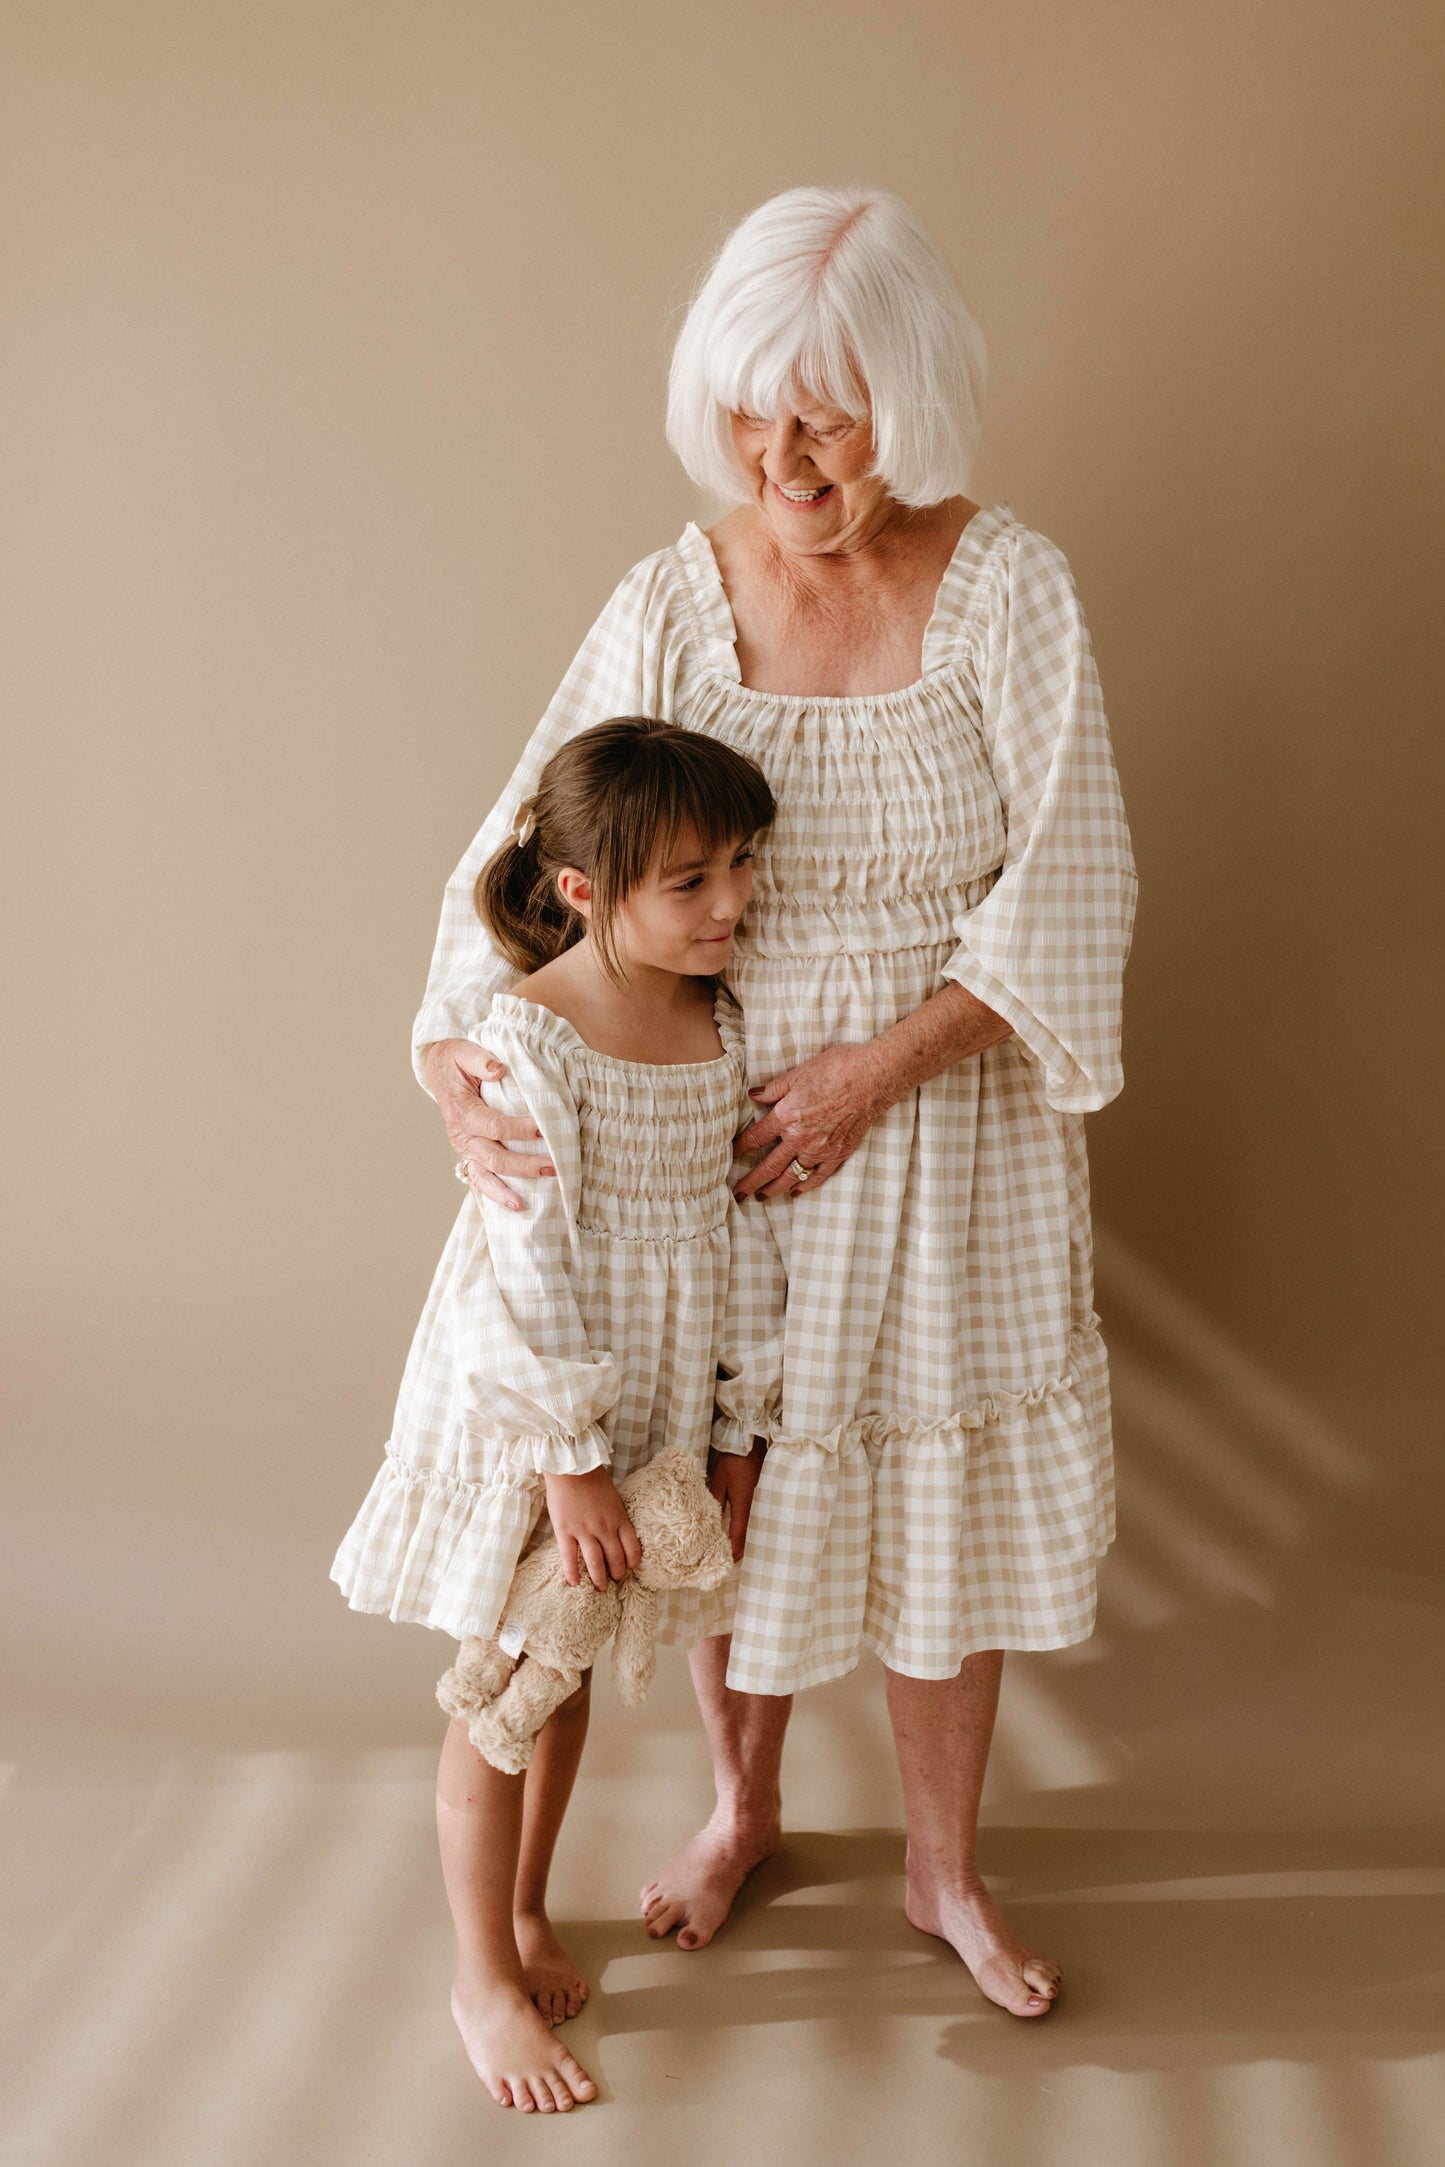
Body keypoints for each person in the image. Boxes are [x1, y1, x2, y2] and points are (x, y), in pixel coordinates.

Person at [413, 185, 1137, 2020]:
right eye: (753, 408)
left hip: (946, 1114)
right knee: (735, 1480)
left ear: (913, 395)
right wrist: (452, 1053)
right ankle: (740, 1812)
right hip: (706, 1132)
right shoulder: (670, 597)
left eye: (830, 409)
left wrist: (879, 1068)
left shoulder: (1009, 585)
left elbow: (1073, 877)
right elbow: (530, 840)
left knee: (936, 1497)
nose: (787, 452)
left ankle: (942, 1872)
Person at [331, 718, 777, 2110]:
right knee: (501, 1694)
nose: (733, 905)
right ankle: (478, 1976)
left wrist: (730, 1432)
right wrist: (571, 1465)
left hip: (652, 1402)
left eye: (740, 867)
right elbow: (522, 1266)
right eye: (691, 883)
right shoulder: (534, 1039)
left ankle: (525, 1913)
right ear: (585, 892)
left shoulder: (718, 1014)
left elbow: (740, 1236)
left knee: (568, 1673)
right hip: (538, 1415)